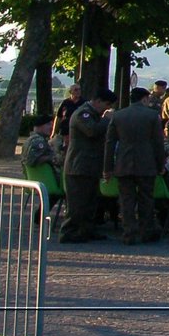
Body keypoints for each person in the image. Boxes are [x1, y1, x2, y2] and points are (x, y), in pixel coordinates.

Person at [103, 87, 166, 244]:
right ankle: (146, 231)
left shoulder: (118, 116)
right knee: (146, 199)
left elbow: (109, 143)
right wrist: (161, 164)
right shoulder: (152, 116)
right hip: (146, 162)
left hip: (124, 163)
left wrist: (107, 167)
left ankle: (128, 233)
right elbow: (158, 143)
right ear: (144, 99)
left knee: (126, 200)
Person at [60, 88, 115, 243]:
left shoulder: (94, 114)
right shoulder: (82, 113)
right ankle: (69, 232)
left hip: (90, 165)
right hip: (79, 165)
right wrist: (106, 119)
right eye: (106, 104)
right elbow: (91, 131)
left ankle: (86, 229)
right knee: (77, 204)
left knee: (91, 202)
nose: (107, 108)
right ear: (97, 100)